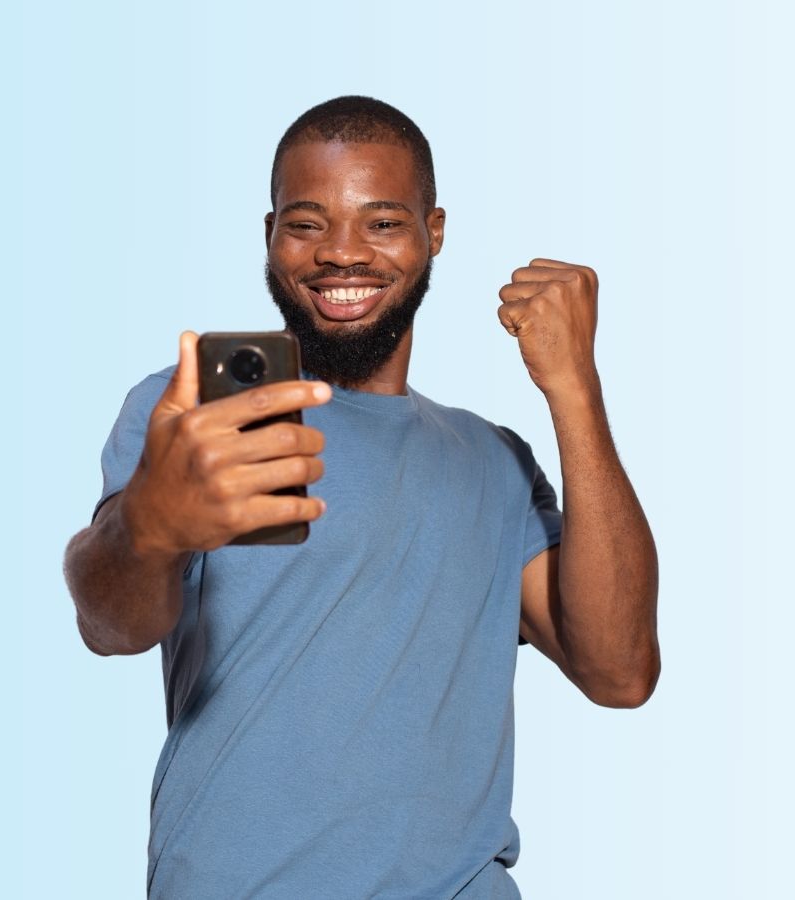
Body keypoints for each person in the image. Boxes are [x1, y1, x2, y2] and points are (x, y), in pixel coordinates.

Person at [64, 96, 660, 899]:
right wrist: (148, 529)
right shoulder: (198, 413)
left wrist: (575, 391)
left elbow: (620, 673)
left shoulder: (494, 461)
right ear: (270, 235)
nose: (342, 253)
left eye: (381, 223)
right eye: (306, 224)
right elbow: (111, 628)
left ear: (433, 232)